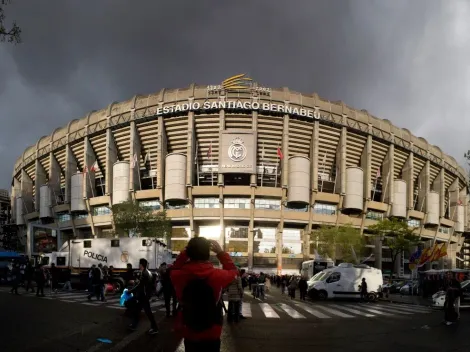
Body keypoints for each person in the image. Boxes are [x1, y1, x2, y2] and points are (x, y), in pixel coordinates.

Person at [171, 237, 238, 352]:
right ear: (207, 254)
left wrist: (184, 254)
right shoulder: (218, 275)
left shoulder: (178, 275)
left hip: (189, 328)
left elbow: (174, 267)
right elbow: (233, 271)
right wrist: (221, 253)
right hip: (212, 329)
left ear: (189, 252)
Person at [128, 258, 158, 335]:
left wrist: (130, 290)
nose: (138, 265)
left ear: (141, 265)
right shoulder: (147, 272)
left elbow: (140, 285)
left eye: (139, 264)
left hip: (143, 296)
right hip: (144, 295)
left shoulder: (144, 273)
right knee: (138, 310)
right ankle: (134, 325)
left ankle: (155, 328)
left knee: (147, 312)